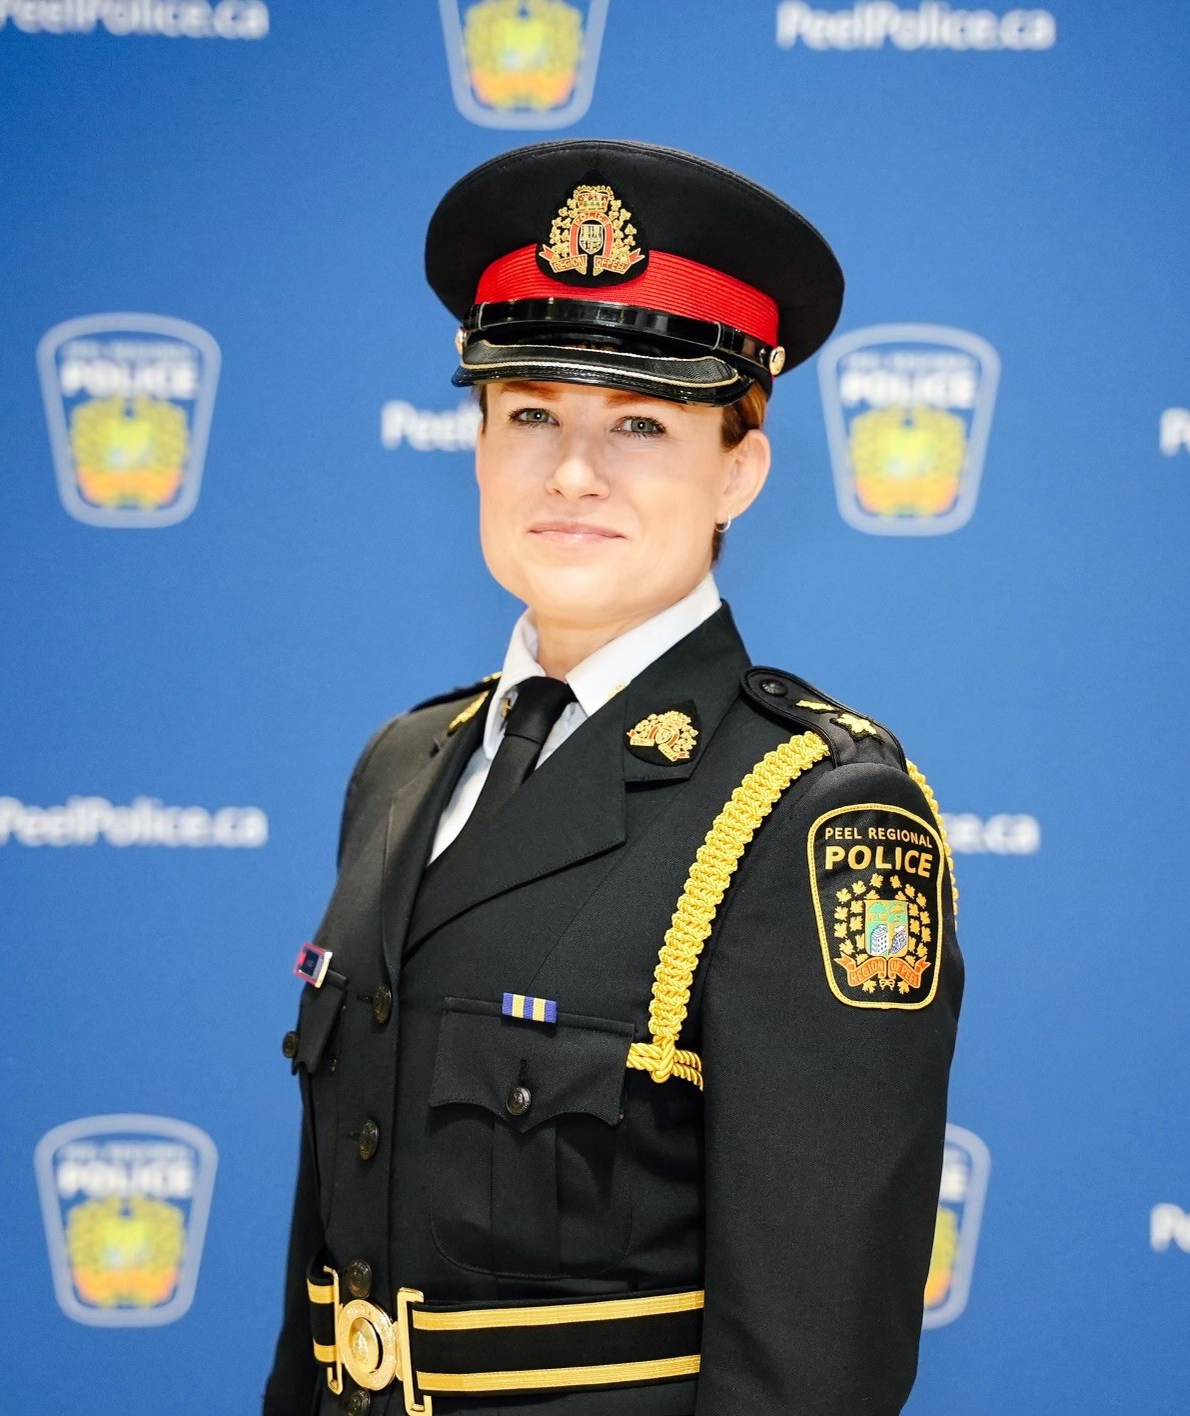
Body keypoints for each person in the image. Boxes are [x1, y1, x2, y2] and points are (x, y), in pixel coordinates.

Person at [265, 139, 964, 1416]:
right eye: (530, 413)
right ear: (474, 440)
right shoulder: (402, 764)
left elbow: (812, 1360)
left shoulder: (811, 809)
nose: (571, 473)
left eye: (640, 424)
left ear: (738, 472)